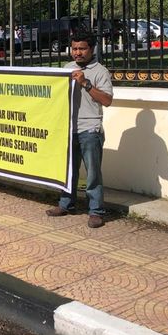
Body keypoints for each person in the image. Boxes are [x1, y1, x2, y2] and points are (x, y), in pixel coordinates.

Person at [46, 30, 113, 228]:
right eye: (74, 48)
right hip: (68, 129)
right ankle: (66, 204)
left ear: (91, 49)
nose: (77, 53)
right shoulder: (67, 68)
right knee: (68, 171)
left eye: (82, 48)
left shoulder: (101, 71)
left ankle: (96, 211)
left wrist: (85, 83)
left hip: (90, 130)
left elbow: (107, 100)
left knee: (92, 173)